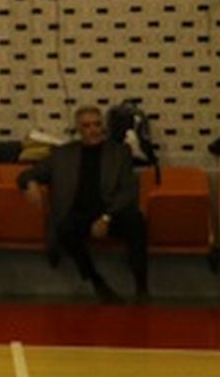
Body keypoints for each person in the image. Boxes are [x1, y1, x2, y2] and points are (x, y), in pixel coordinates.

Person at [17, 104, 149, 303]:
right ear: (78, 130)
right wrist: (30, 183)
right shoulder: (63, 155)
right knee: (65, 229)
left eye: (97, 124)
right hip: (78, 214)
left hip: (110, 212)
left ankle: (141, 285)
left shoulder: (119, 153)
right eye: (87, 126)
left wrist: (106, 217)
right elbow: (27, 174)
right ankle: (96, 282)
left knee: (136, 221)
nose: (93, 130)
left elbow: (128, 191)